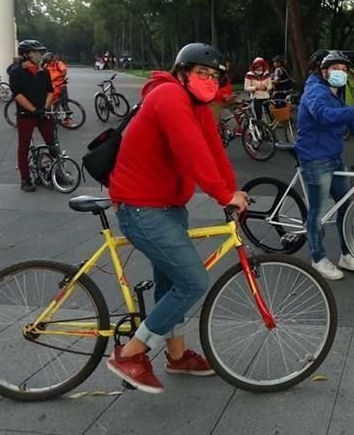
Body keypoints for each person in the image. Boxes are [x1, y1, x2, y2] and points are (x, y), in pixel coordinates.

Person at [106, 43, 249, 394]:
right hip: (142, 208)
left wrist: (233, 190)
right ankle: (131, 354)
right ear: (183, 72)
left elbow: (213, 149)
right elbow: (191, 150)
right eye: (202, 73)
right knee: (193, 282)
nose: (209, 81)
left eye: (215, 76)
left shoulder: (195, 105)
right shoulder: (168, 95)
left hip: (168, 207)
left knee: (171, 285)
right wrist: (221, 193)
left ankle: (177, 355)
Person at [295, 51, 354, 280]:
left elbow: (351, 121)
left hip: (334, 157)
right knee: (316, 213)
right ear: (323, 71)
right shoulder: (315, 90)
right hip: (315, 159)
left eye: (345, 70)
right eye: (336, 68)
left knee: (345, 206)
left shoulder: (334, 92)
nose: (341, 73)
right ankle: (318, 259)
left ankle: (346, 255)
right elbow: (324, 116)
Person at [8, 40, 55, 193]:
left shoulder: (44, 71)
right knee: (24, 147)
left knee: (52, 143)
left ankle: (56, 172)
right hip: (25, 115)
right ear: (27, 54)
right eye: (36, 52)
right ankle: (25, 179)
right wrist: (34, 110)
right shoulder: (16, 72)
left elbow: (50, 91)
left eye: (40, 52)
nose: (40, 55)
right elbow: (18, 95)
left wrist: (45, 108)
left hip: (43, 113)